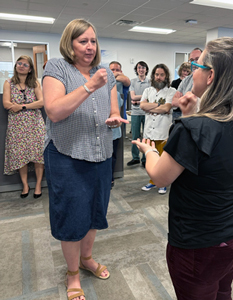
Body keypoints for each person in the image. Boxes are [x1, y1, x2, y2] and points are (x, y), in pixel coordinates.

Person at [133, 37, 233, 300]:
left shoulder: (193, 129)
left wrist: (149, 151)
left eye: (197, 64)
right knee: (222, 291)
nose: (192, 69)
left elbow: (159, 177)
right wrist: (192, 116)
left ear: (211, 75)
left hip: (201, 245)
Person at [42, 19, 128, 300]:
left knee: (94, 212)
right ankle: (72, 273)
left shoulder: (106, 73)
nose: (90, 47)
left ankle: (86, 258)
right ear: (70, 43)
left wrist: (115, 118)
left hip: (101, 152)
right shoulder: (57, 67)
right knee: (71, 214)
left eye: (93, 41)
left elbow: (113, 109)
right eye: (83, 41)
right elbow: (54, 111)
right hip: (67, 154)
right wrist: (89, 86)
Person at [3, 55, 45, 198]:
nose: (21, 66)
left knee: (38, 155)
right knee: (21, 157)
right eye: (19, 63)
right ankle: (25, 185)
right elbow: (7, 104)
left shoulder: (35, 83)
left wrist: (21, 106)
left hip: (35, 124)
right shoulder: (8, 83)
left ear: (30, 69)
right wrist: (28, 106)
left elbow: (41, 102)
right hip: (17, 126)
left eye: (25, 64)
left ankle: (38, 185)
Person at [139, 63, 176, 194]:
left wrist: (151, 106)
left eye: (161, 75)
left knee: (162, 158)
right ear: (153, 76)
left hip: (162, 130)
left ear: (166, 76)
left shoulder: (171, 91)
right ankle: (152, 181)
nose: (159, 77)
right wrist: (158, 105)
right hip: (149, 130)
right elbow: (142, 106)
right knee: (151, 157)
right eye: (156, 74)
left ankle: (162, 183)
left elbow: (167, 108)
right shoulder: (147, 91)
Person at [127, 61, 151, 167]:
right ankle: (135, 158)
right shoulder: (133, 81)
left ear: (146, 69)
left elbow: (151, 97)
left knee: (146, 136)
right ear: (136, 70)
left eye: (143, 67)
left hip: (147, 112)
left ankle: (145, 158)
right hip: (136, 112)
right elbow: (132, 97)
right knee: (135, 136)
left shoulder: (150, 82)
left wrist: (138, 100)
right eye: (139, 68)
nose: (141, 69)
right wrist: (143, 98)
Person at [171, 47, 202, 119]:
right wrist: (193, 103)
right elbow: (173, 102)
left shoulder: (208, 80)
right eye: (191, 60)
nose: (194, 63)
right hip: (186, 120)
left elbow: (207, 105)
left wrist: (183, 100)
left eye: (197, 59)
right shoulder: (186, 80)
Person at [111, 91, 124, 188]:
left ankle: (110, 179)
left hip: (113, 131)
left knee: (111, 157)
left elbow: (117, 113)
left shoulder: (116, 94)